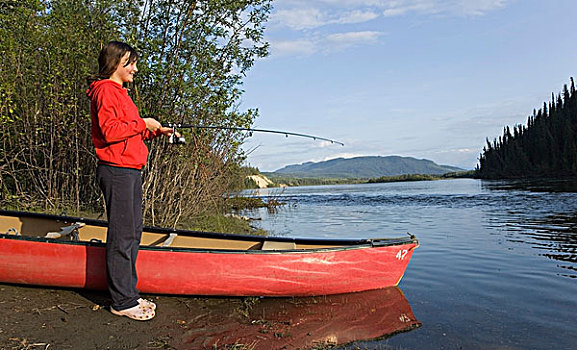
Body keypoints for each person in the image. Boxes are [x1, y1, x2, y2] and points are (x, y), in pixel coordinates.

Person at [87, 41, 174, 321]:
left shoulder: (121, 93)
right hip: (116, 170)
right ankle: (122, 301)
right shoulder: (104, 91)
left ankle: (129, 292)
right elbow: (110, 131)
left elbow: (127, 132)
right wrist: (142, 123)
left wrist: (153, 131)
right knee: (122, 235)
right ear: (116, 64)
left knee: (133, 231)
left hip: (130, 170)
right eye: (131, 63)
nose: (135, 68)